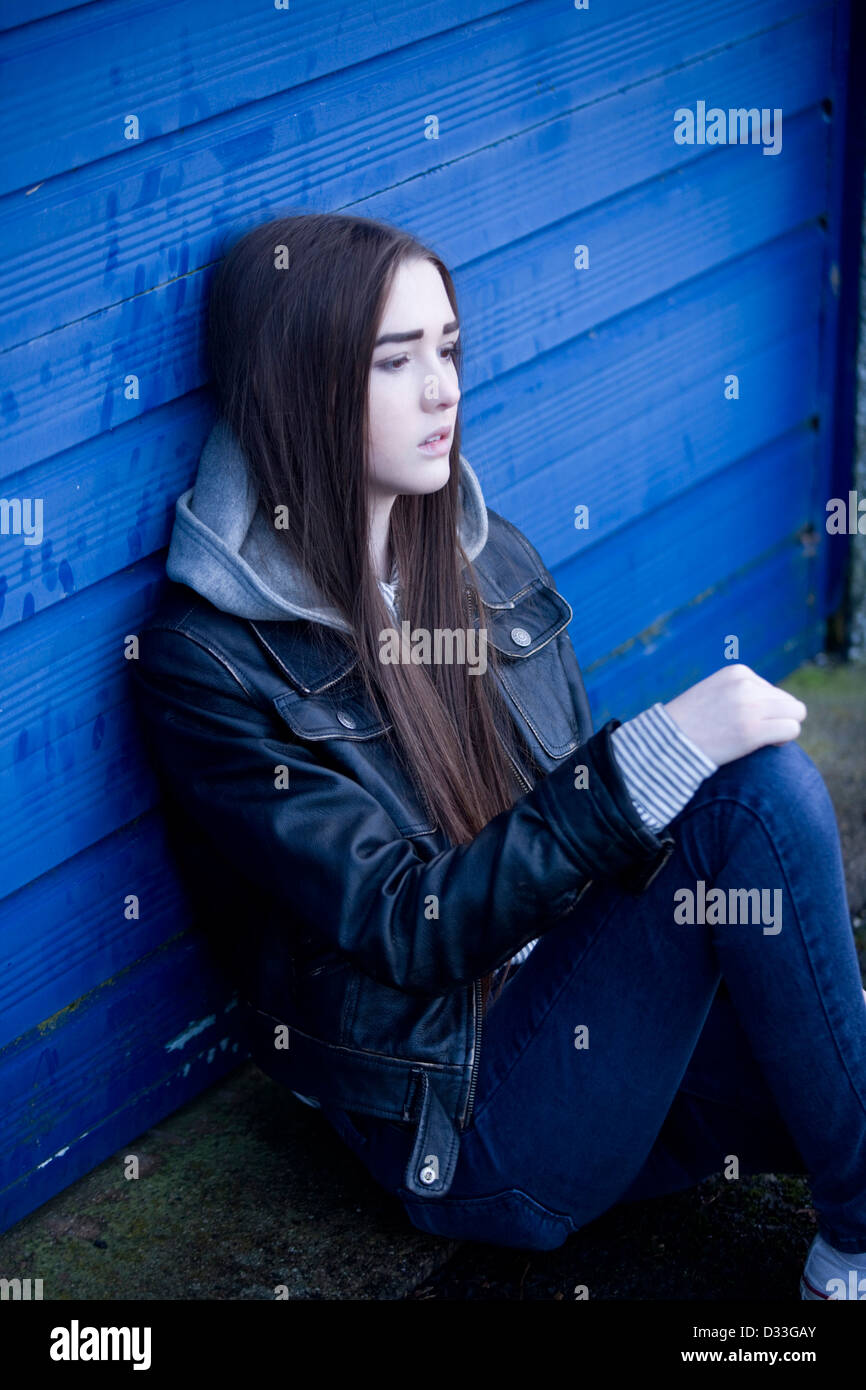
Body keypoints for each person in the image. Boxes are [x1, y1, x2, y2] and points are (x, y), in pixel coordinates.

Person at [130, 210, 866, 1300]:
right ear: (299, 384)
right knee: (747, 799)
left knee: (823, 1034)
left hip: (604, 1049)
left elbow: (595, 865)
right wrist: (658, 756)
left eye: (447, 350)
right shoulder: (208, 663)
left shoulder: (483, 553)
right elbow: (400, 921)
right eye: (395, 361)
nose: (441, 392)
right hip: (474, 1118)